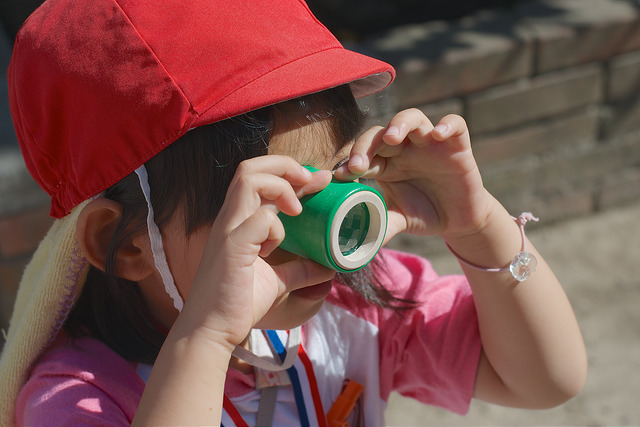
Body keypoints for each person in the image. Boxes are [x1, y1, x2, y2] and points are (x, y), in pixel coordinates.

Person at [0, 0, 587, 425]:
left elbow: (545, 378)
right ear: (124, 244)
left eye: (335, 176)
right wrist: (207, 335)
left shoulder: (354, 306)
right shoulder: (78, 398)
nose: (323, 238)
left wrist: (479, 224)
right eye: (266, 205)